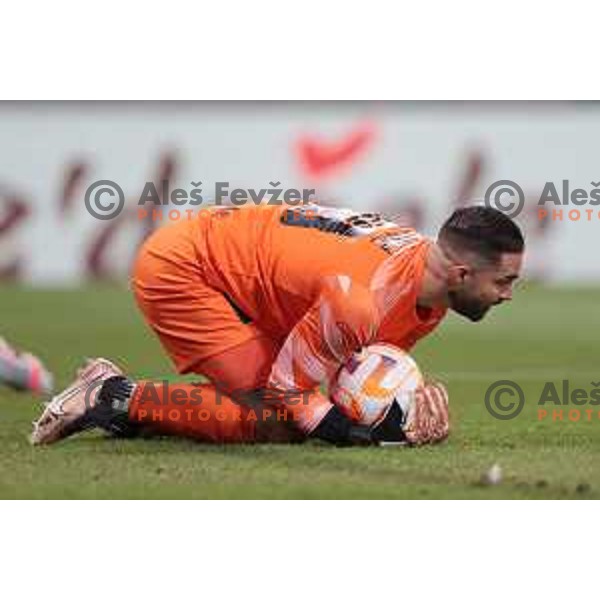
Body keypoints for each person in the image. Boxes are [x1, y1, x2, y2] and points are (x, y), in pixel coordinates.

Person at [30, 202, 524, 446]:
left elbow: (343, 366)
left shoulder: (427, 285)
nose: (508, 294)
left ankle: (122, 400)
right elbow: (291, 395)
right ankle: (113, 396)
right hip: (187, 267)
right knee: (267, 419)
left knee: (297, 408)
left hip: (243, 265)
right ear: (461, 273)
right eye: (504, 281)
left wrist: (401, 408)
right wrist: (378, 435)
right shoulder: (364, 299)